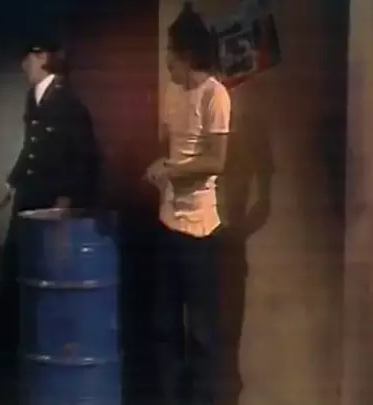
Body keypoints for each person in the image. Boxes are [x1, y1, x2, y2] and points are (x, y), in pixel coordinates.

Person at [143, 4, 231, 405]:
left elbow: (216, 161)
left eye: (171, 53)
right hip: (168, 224)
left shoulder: (215, 95)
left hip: (200, 232)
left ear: (189, 55)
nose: (167, 61)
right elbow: (169, 148)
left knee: (202, 334)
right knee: (163, 328)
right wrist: (159, 165)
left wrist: (172, 170)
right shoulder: (172, 92)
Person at [0, 38, 101, 370]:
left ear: (42, 57)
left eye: (27, 57)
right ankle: (19, 353)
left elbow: (85, 158)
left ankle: (44, 350)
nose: (23, 65)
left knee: (46, 276)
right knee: (16, 268)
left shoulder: (68, 104)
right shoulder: (35, 98)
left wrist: (66, 202)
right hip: (29, 199)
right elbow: (33, 147)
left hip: (51, 204)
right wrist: (13, 182)